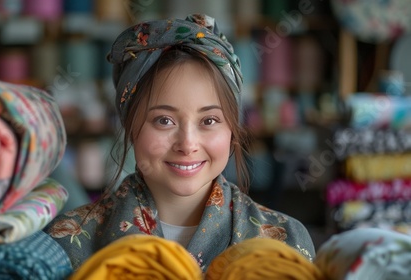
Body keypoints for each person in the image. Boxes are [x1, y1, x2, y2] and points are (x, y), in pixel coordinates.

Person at [43, 14, 315, 272]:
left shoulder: (284, 243)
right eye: (164, 120)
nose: (187, 144)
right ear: (130, 125)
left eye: (209, 121)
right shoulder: (65, 244)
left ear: (232, 128)